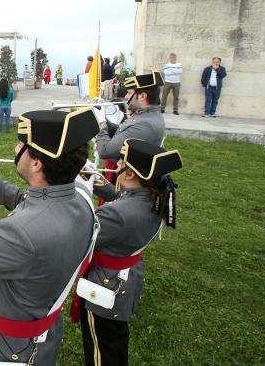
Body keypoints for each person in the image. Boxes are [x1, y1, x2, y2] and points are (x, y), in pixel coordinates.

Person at [0, 108, 100, 365]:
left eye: (22, 145)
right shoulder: (80, 198)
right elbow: (25, 200)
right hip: (42, 332)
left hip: (10, 348)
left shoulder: (19, 233)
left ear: (37, 163)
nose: (16, 148)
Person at [73, 139, 183, 366]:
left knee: (101, 352)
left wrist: (78, 190)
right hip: (125, 278)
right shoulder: (152, 196)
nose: (118, 164)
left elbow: (75, 232)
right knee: (113, 343)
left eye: (122, 162)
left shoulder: (119, 215)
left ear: (131, 174)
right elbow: (123, 199)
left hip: (106, 286)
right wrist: (96, 180)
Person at [95, 71, 166, 163]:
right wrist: (103, 119)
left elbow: (104, 151)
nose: (126, 96)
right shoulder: (146, 115)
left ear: (142, 96)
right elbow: (124, 130)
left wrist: (102, 123)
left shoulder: (145, 125)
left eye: (129, 93)